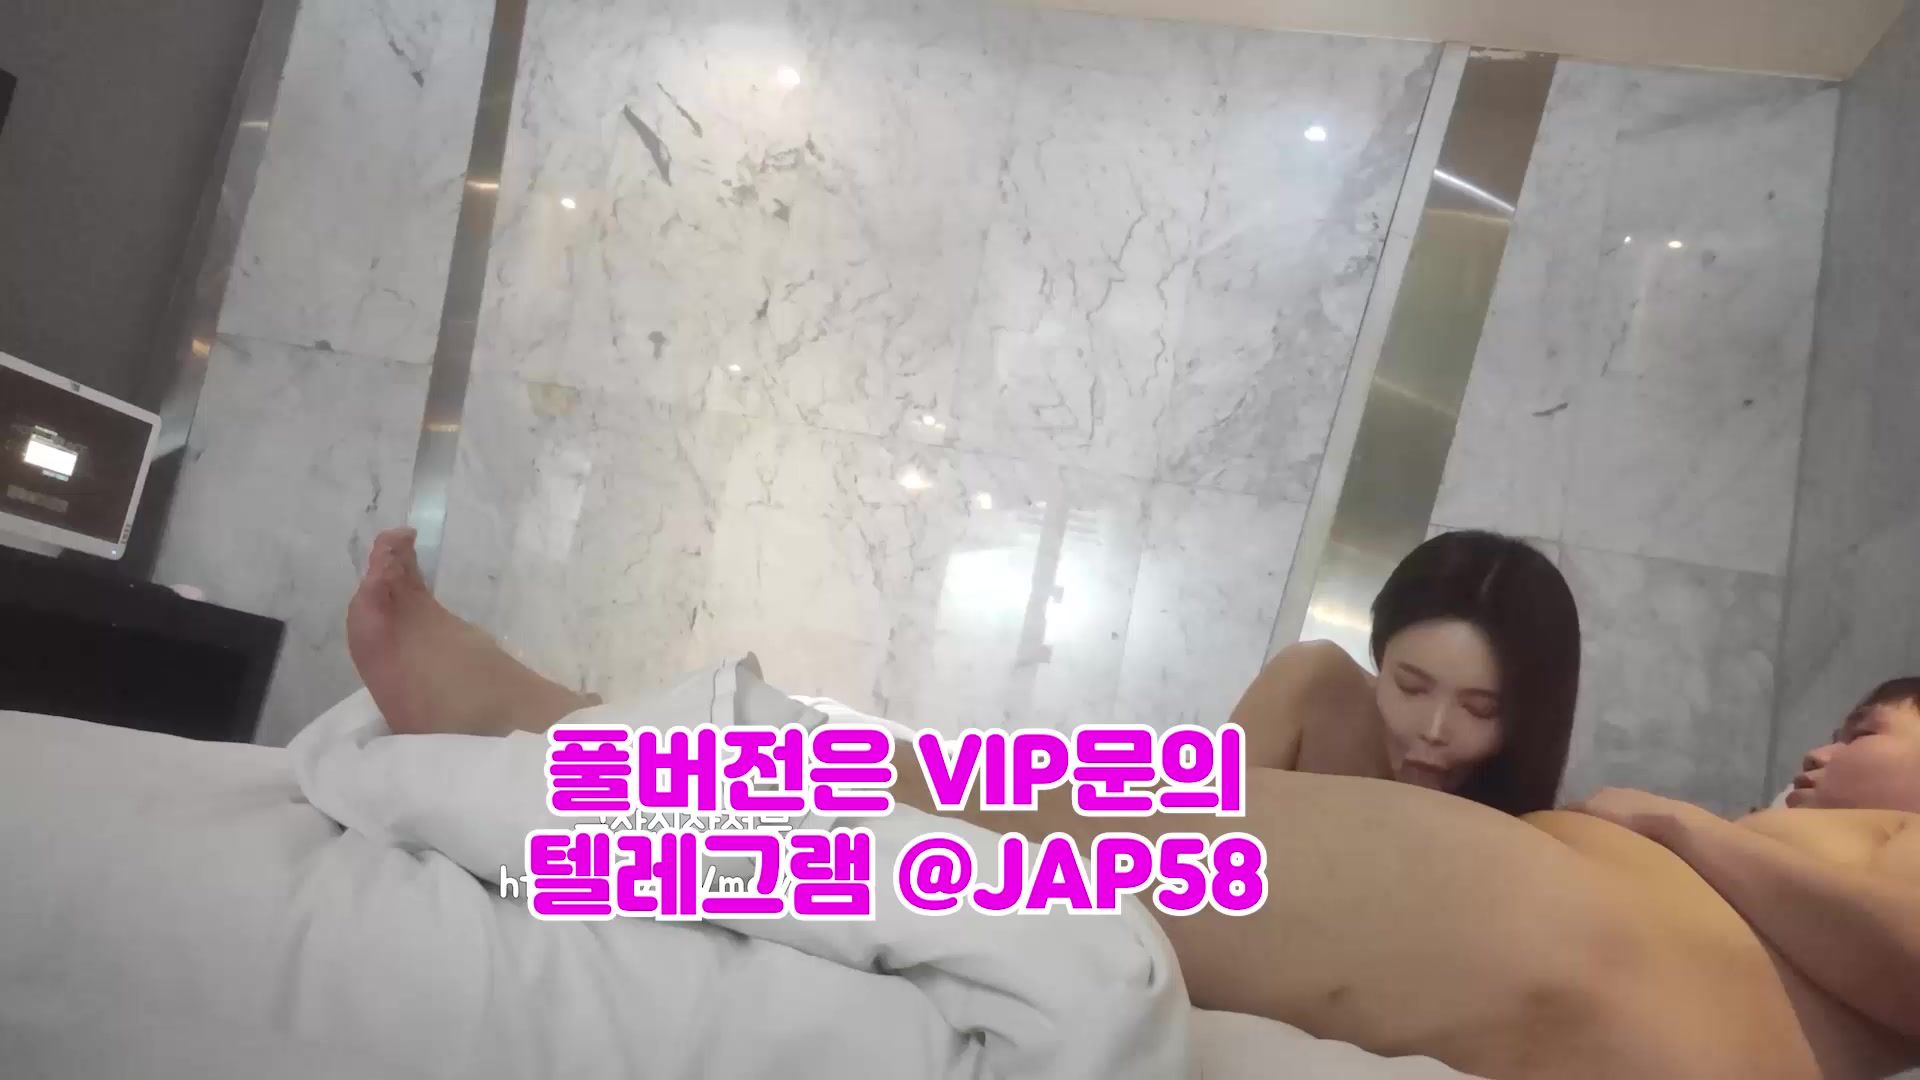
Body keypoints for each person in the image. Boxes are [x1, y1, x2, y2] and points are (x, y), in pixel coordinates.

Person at [346, 528, 1919, 1079]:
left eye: (1866, 730)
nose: (1822, 754)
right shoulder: (1805, 871)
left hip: (1545, 941)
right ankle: (551, 728)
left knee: (996, 818)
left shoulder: (1843, 859)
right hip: (1537, 939)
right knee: (1008, 812)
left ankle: (539, 725)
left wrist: (1681, 828)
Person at [1232, 530, 1580, 814]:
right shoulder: (1311, 682)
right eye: (1411, 686)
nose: (1433, 730)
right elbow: (1203, 818)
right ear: (1381, 656)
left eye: (1480, 709)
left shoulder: (1521, 815)